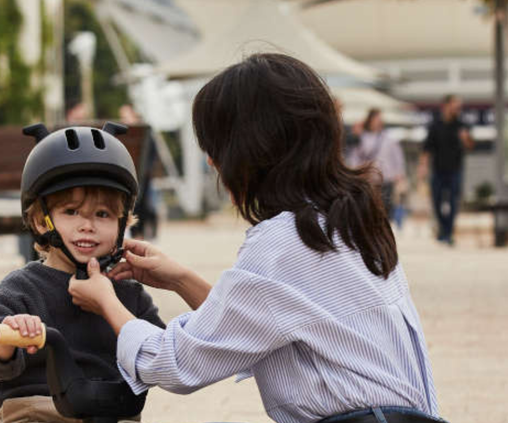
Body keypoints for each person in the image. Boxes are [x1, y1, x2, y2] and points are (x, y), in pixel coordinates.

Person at [67, 53, 444, 423]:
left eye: (215, 151)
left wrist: (106, 302)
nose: (214, 164)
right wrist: (178, 279)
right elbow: (262, 322)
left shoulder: (282, 244)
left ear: (248, 155)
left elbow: (176, 364)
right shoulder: (347, 219)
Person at [0, 124, 165, 423]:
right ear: (40, 221)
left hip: (113, 412)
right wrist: (7, 341)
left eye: (102, 214)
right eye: (71, 212)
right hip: (38, 410)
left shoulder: (128, 292)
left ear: (123, 221)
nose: (87, 225)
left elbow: (162, 355)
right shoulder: (21, 288)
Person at [418, 95, 473, 246]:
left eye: (459, 106)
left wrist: (466, 138)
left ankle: (448, 233)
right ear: (446, 106)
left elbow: (470, 146)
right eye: (455, 106)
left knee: (453, 201)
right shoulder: (435, 125)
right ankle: (443, 228)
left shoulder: (462, 125)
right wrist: (422, 167)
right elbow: (427, 148)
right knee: (436, 201)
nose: (457, 109)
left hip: (455, 170)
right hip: (437, 170)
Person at [349, 108, 407, 227]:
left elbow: (397, 156)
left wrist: (399, 172)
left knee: (385, 207)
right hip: (367, 178)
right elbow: (354, 155)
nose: (378, 122)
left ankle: (382, 229)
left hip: (386, 177)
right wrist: (356, 171)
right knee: (367, 207)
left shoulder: (389, 138)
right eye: (376, 119)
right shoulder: (361, 137)